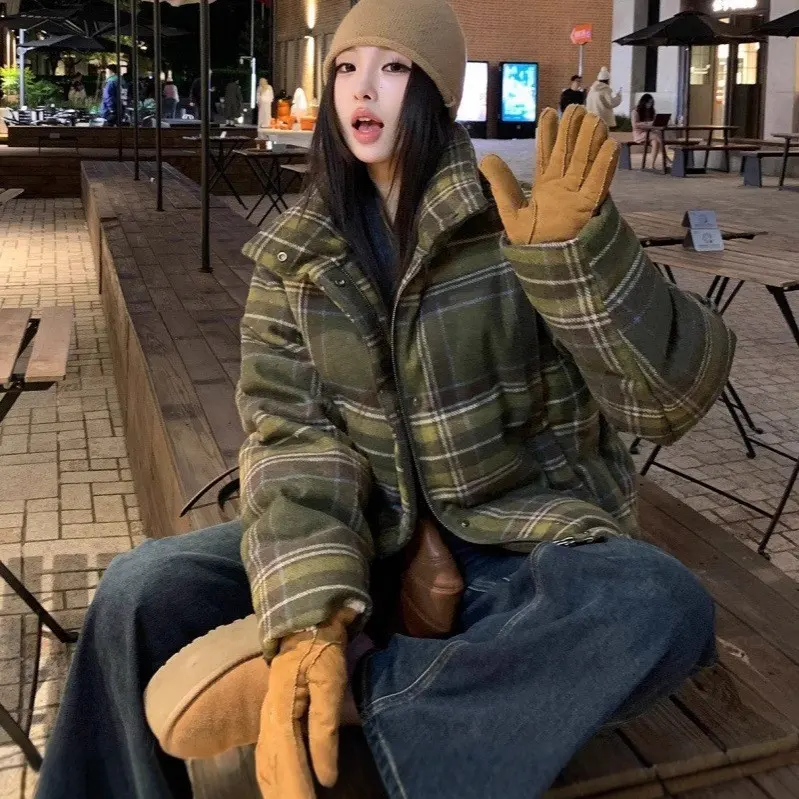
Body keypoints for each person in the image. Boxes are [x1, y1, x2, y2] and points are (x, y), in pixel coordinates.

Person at [34, 0, 736, 797]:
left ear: (437, 91)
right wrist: (310, 617)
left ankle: (366, 690)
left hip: (515, 551)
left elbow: (668, 403)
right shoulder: (296, 258)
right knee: (137, 590)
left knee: (657, 603)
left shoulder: (525, 220)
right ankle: (355, 668)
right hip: (362, 538)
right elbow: (292, 441)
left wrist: (576, 263)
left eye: (393, 67)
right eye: (345, 67)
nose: (362, 88)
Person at [632, 92, 670, 169]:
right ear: (643, 102)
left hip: (649, 133)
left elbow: (655, 122)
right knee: (656, 136)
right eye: (648, 102)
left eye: (651, 103)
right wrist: (648, 123)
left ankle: (652, 165)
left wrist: (658, 122)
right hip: (639, 134)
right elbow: (635, 125)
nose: (649, 105)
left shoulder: (652, 111)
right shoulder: (635, 111)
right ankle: (666, 158)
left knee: (655, 142)